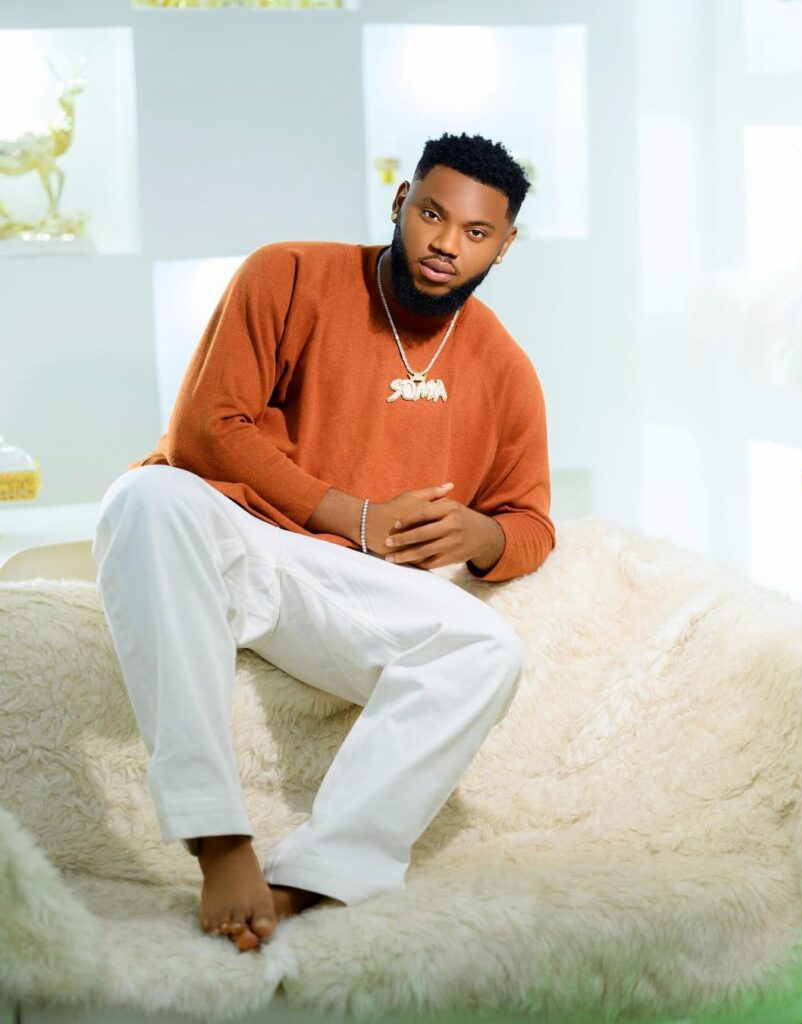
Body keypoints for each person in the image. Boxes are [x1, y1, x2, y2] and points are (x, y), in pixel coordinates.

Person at [92, 131, 556, 954]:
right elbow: (206, 428)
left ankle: (316, 875)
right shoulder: (288, 273)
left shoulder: (504, 367)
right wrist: (354, 515)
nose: (446, 245)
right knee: (145, 496)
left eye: (476, 232)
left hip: (345, 592)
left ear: (505, 245)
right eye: (431, 215)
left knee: (487, 648)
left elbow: (531, 523)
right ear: (400, 202)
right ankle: (218, 838)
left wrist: (480, 532)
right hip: (239, 535)